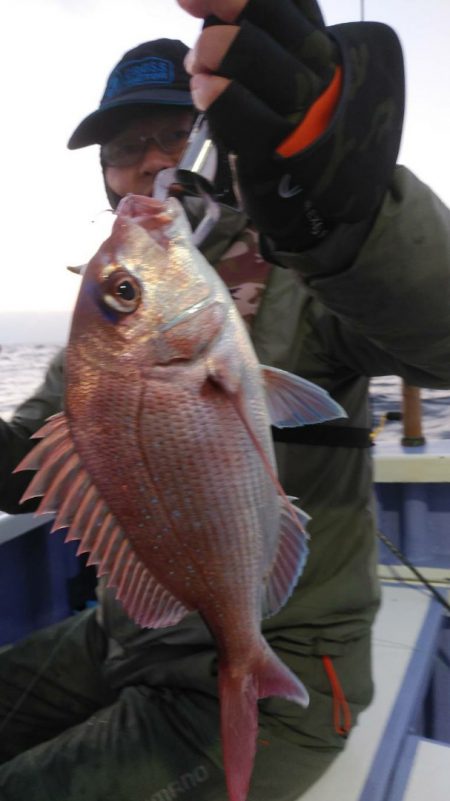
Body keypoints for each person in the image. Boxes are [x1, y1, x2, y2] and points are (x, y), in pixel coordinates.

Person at [1, 2, 450, 799]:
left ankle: (259, 677)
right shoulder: (109, 323)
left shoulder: (307, 269)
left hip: (279, 659)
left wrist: (344, 219)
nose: (144, 164)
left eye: (169, 135)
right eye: (121, 148)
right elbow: (25, 459)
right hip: (123, 635)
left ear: (215, 140)